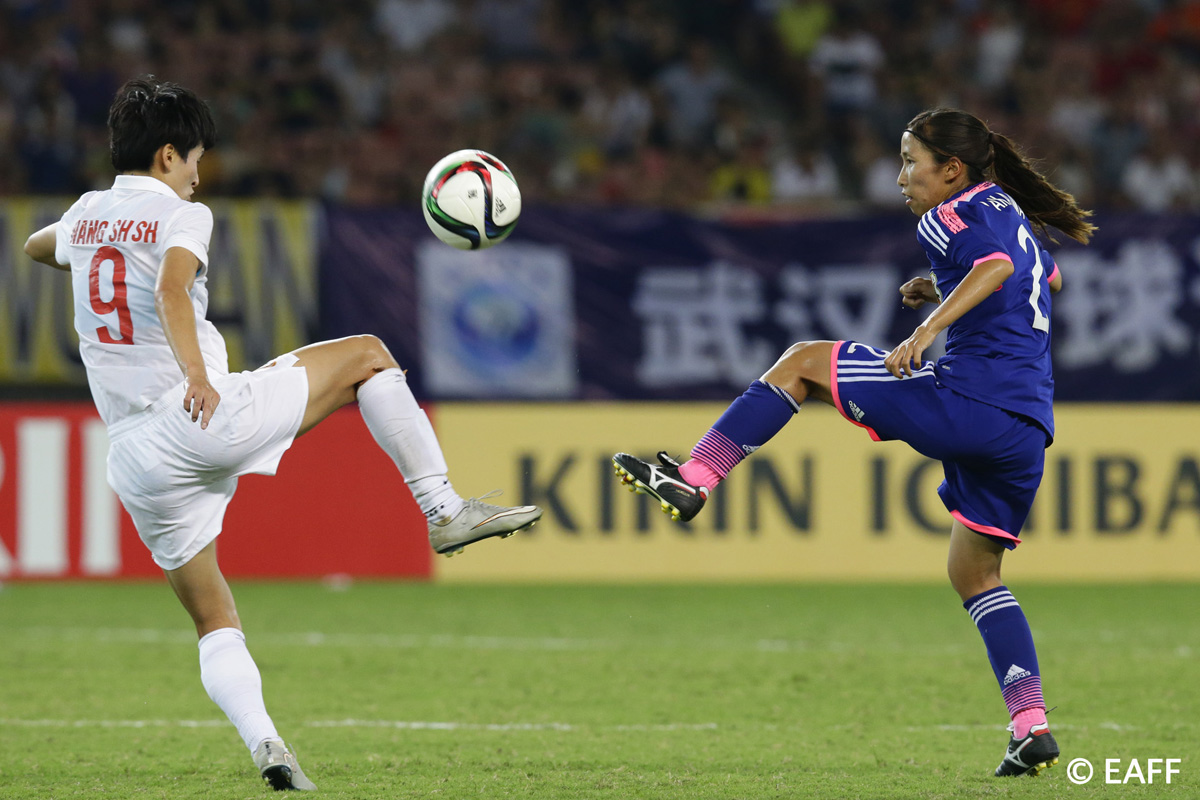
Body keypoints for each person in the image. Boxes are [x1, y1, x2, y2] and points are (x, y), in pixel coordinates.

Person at [23, 76, 542, 791]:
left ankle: (267, 744)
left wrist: (86, 244)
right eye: (195, 158)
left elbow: (36, 246)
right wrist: (197, 375)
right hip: (198, 414)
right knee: (369, 355)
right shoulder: (184, 214)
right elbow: (171, 288)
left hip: (135, 457)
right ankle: (443, 509)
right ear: (168, 155)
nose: (199, 173)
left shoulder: (86, 215)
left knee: (213, 616)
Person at [613, 107, 1096, 778]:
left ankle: (696, 477)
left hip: (971, 399)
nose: (900, 177)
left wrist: (928, 326)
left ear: (951, 170)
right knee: (975, 574)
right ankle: (1030, 725)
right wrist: (945, 284)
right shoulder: (1004, 207)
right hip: (1026, 427)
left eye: (910, 161)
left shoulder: (946, 215)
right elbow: (1047, 277)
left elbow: (994, 267)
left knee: (802, 363)